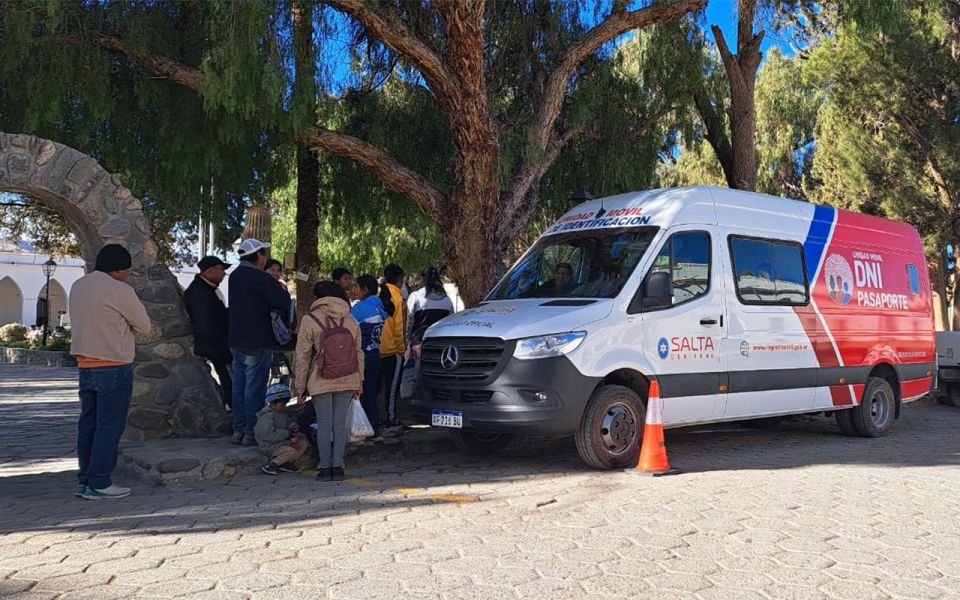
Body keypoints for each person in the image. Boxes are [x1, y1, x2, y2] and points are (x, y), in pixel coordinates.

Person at [69, 244, 151, 500]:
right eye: (126, 270)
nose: (127, 275)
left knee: (89, 424)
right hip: (113, 364)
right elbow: (144, 325)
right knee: (109, 426)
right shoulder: (119, 290)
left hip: (85, 364)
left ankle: (85, 479)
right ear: (118, 269)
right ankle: (101, 482)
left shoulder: (79, 286)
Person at [294, 281, 363, 482]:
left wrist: (300, 388)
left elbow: (302, 355)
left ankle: (325, 469)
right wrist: (360, 380)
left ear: (318, 297)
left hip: (321, 378)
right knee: (339, 424)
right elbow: (359, 352)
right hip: (349, 377)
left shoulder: (310, 319)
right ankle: (338, 467)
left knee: (324, 424)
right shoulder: (350, 318)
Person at [227, 239, 292, 446]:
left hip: (237, 339)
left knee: (239, 386)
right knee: (254, 387)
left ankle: (237, 429)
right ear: (258, 255)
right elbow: (282, 301)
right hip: (258, 340)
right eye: (264, 254)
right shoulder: (260, 278)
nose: (265, 258)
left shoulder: (235, 276)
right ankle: (251, 431)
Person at [182, 256, 233, 410]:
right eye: (221, 269)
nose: (224, 274)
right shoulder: (200, 293)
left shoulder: (206, 290)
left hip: (216, 344)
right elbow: (206, 324)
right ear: (210, 271)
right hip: (216, 346)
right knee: (230, 381)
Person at [351, 275, 388, 437]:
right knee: (371, 391)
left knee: (360, 392)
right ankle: (373, 425)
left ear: (365, 289)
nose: (354, 290)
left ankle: (362, 426)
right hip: (376, 353)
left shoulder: (360, 308)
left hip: (362, 355)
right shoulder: (380, 307)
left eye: (356, 287)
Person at [255, 383, 307, 476]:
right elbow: (268, 434)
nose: (283, 406)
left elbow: (287, 423)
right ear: (272, 402)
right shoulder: (267, 416)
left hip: (282, 442)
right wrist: (287, 434)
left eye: (285, 404)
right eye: (281, 404)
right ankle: (272, 465)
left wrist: (293, 426)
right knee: (292, 452)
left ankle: (285, 463)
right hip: (270, 445)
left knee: (302, 444)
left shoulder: (282, 413)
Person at [379, 264, 407, 428]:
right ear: (400, 279)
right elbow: (400, 328)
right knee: (392, 387)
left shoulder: (380, 295)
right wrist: (402, 351)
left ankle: (381, 417)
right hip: (392, 350)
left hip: (379, 349)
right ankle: (391, 418)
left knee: (380, 386)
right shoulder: (398, 298)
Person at [407, 266, 454, 353]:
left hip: (418, 343)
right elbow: (450, 323)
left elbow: (409, 322)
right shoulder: (447, 299)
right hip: (440, 344)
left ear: (422, 279)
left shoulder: (415, 297)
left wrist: (407, 340)